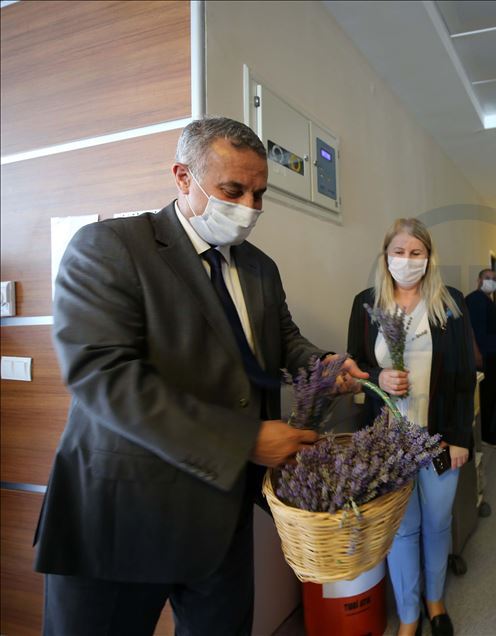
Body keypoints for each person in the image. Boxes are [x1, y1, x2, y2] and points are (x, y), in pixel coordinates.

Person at [34, 117, 366, 635]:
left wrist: (322, 366)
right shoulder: (111, 246)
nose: (249, 208)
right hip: (123, 515)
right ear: (183, 177)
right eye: (233, 191)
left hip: (221, 517)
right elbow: (103, 377)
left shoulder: (260, 268)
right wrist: (245, 439)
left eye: (259, 194)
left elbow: (282, 341)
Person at [347, 218, 475, 636]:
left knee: (437, 523)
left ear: (429, 257)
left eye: (416, 252)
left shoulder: (449, 302)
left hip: (439, 439)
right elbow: (354, 367)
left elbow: (463, 374)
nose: (407, 260)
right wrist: (378, 377)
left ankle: (434, 600)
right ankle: (408, 615)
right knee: (402, 530)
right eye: (399, 252)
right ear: (386, 257)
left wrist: (459, 438)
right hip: (389, 443)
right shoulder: (366, 304)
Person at [466, 268, 496, 449]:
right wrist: (476, 353)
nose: (491, 281)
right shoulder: (474, 300)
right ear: (479, 280)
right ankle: (488, 434)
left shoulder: (488, 300)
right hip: (482, 355)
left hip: (492, 353)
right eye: (487, 278)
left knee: (494, 391)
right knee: (488, 393)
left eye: (494, 278)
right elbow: (469, 329)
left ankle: (494, 425)